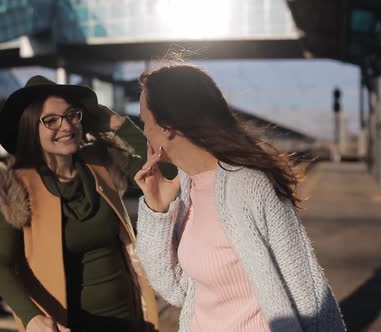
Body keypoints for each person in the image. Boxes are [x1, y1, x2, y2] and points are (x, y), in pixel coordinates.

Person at [133, 64, 345, 332]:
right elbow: (175, 290)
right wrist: (157, 209)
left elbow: (305, 289)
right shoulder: (189, 187)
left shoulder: (249, 186)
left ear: (168, 127)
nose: (143, 133)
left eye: (144, 121)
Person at [0, 75, 158, 332]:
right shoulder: (17, 185)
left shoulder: (101, 161)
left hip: (130, 318)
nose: (66, 126)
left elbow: (164, 169)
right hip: (67, 325)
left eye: (72, 115)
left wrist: (119, 125)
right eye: (51, 120)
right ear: (32, 128)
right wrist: (30, 317)